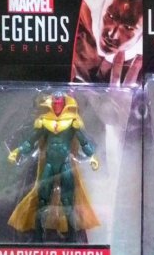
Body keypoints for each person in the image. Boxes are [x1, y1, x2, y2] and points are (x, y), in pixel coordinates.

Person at [7, 92, 100, 242]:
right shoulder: (44, 122)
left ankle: (71, 236)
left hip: (65, 163)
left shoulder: (72, 122)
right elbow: (31, 141)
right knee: (42, 200)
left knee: (68, 201)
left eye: (59, 103)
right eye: (55, 103)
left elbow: (83, 142)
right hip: (49, 163)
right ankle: (38, 235)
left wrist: (92, 157)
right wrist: (17, 151)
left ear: (65, 105)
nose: (57, 106)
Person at [72, 0, 143, 85]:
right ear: (103, 8)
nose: (112, 34)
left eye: (128, 27)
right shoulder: (78, 35)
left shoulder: (143, 71)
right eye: (110, 16)